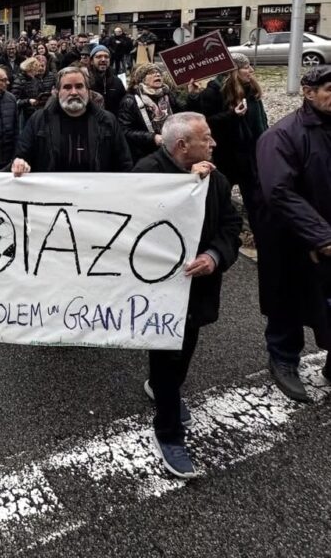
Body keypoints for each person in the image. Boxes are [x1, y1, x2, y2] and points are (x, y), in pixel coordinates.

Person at [134, 113, 241, 478]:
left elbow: (230, 225)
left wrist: (214, 256)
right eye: (206, 138)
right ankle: (168, 434)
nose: (212, 144)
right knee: (168, 353)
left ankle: (163, 387)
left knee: (180, 355)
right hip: (157, 288)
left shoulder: (215, 179)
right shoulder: (145, 175)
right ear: (182, 146)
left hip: (197, 288)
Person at [256, 65, 331, 403]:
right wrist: (321, 235)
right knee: (287, 304)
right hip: (292, 240)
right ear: (308, 91)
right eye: (329, 88)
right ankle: (283, 359)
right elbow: (280, 191)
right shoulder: (283, 135)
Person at [12, 66, 132, 175]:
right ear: (57, 92)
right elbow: (22, 155)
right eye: (67, 87)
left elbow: (124, 163)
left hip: (95, 193)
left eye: (79, 86)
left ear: (88, 91)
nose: (74, 92)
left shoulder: (107, 120)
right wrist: (20, 164)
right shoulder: (39, 120)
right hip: (52, 195)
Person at [199, 54, 268, 221]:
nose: (251, 70)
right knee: (220, 196)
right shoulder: (214, 91)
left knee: (255, 198)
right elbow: (206, 121)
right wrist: (232, 114)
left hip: (251, 152)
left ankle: (259, 231)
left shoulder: (250, 89)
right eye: (245, 67)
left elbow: (261, 119)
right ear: (233, 71)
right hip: (227, 154)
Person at [117, 64, 198, 164]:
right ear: (142, 80)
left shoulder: (167, 95)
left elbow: (184, 116)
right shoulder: (130, 101)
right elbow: (125, 131)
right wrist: (152, 138)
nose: (157, 75)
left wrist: (192, 95)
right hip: (144, 155)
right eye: (151, 73)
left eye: (159, 73)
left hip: (171, 152)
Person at [12, 57, 55, 128]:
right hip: (24, 115)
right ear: (30, 69)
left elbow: (40, 92)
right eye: (36, 69)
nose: (37, 71)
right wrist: (28, 101)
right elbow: (14, 101)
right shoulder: (19, 81)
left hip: (35, 113)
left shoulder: (35, 79)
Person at [87, 44, 126, 115]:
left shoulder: (117, 82)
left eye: (106, 57)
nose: (103, 59)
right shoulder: (85, 81)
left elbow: (123, 107)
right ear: (92, 61)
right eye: (99, 57)